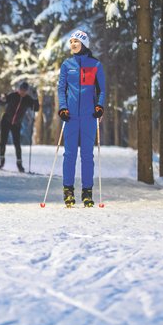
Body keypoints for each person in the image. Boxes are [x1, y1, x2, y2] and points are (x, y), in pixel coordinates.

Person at [57, 29, 106, 207]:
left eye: (76, 42)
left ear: (84, 43)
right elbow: (61, 89)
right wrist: (63, 108)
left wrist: (99, 106)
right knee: (69, 154)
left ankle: (87, 192)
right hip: (70, 117)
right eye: (71, 42)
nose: (73, 45)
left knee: (87, 155)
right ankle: (68, 191)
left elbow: (102, 90)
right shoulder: (66, 65)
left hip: (88, 117)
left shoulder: (95, 65)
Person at [0, 82, 39, 172]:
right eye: (21, 90)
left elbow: (36, 108)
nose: (22, 92)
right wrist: (3, 98)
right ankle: (1, 161)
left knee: (17, 144)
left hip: (16, 123)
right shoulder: (13, 95)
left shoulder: (28, 99)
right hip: (6, 121)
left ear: (27, 91)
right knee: (3, 141)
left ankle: (19, 164)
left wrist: (35, 99)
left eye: (24, 91)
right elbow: (1, 103)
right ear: (18, 89)